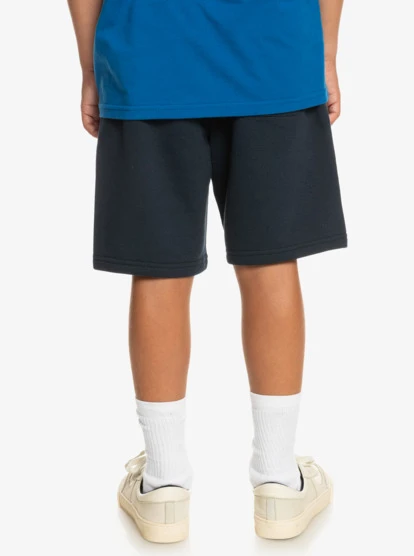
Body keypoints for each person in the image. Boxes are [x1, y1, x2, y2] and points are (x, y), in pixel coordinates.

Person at [68, 0, 347, 543]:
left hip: (148, 51)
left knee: (159, 271)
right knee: (272, 263)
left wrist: (91, 67)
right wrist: (326, 53)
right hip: (275, 50)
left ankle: (163, 486)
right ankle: (279, 482)